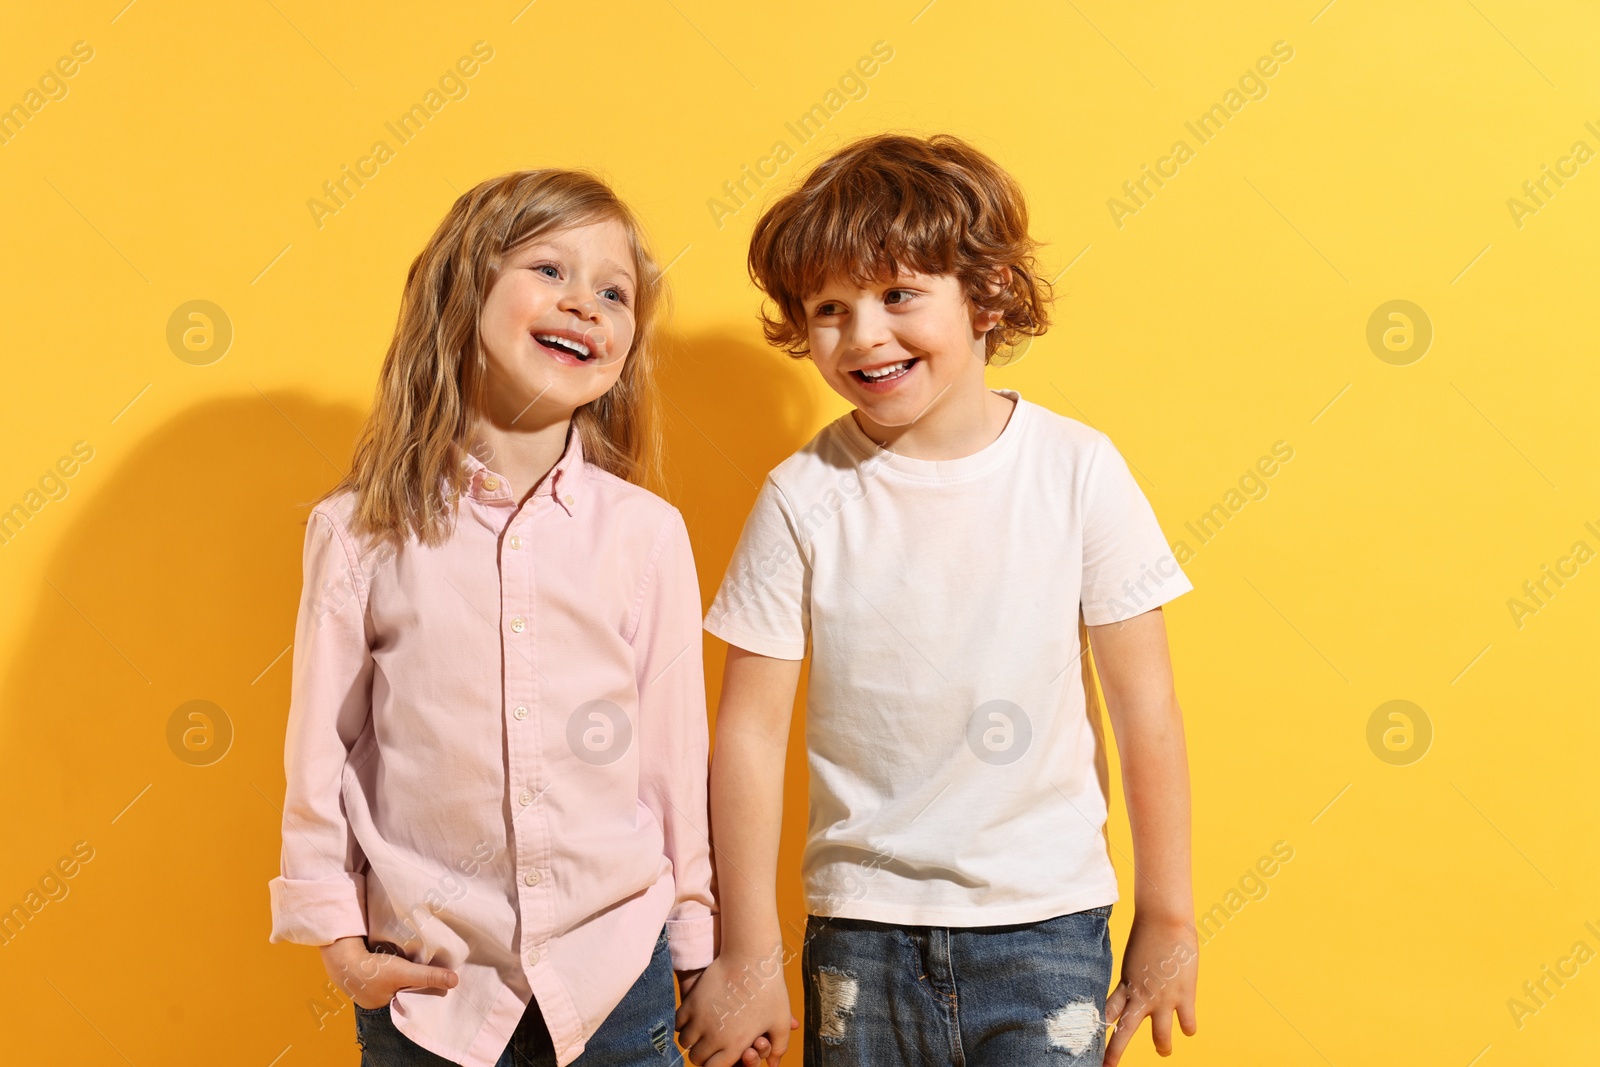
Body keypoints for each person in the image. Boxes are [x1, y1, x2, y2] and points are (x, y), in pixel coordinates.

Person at [675, 133, 1200, 1067]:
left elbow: (1144, 704)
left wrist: (1168, 916)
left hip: (1046, 925)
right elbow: (747, 736)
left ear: (988, 293)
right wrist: (751, 950)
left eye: (898, 294)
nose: (863, 334)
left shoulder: (1077, 470)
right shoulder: (802, 495)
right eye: (829, 308)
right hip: (860, 934)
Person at [267, 169, 772, 1067]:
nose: (585, 304)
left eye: (613, 293)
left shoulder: (646, 535)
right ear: (463, 292)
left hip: (619, 976)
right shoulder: (358, 532)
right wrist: (340, 943)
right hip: (433, 991)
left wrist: (699, 954)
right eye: (550, 270)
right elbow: (321, 752)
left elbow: (669, 761)